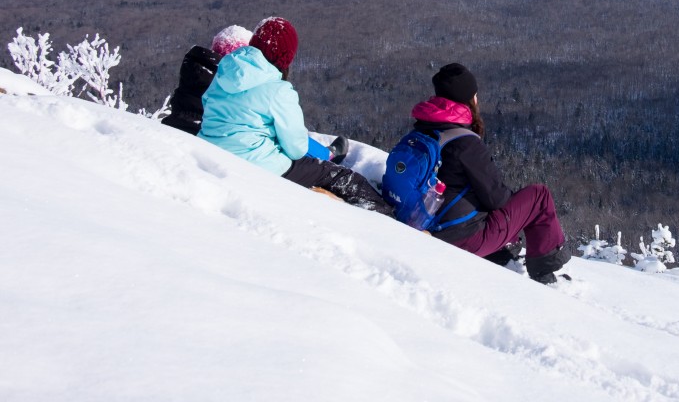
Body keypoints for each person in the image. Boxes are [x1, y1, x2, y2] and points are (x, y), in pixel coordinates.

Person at [198, 17, 389, 214]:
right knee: (342, 178)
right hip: (258, 165)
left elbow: (207, 105)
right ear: (285, 56)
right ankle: (387, 218)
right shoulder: (279, 90)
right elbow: (297, 149)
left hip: (211, 153)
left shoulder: (223, 72)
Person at [406, 63, 571, 284]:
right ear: (468, 99)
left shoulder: (423, 131)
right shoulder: (465, 142)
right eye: (475, 94)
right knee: (538, 197)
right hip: (461, 240)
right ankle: (544, 271)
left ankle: (503, 253)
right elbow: (497, 199)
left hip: (427, 226)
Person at [162, 24, 345, 163]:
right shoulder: (232, 85)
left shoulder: (196, 73)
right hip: (220, 147)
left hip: (179, 132)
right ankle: (325, 155)